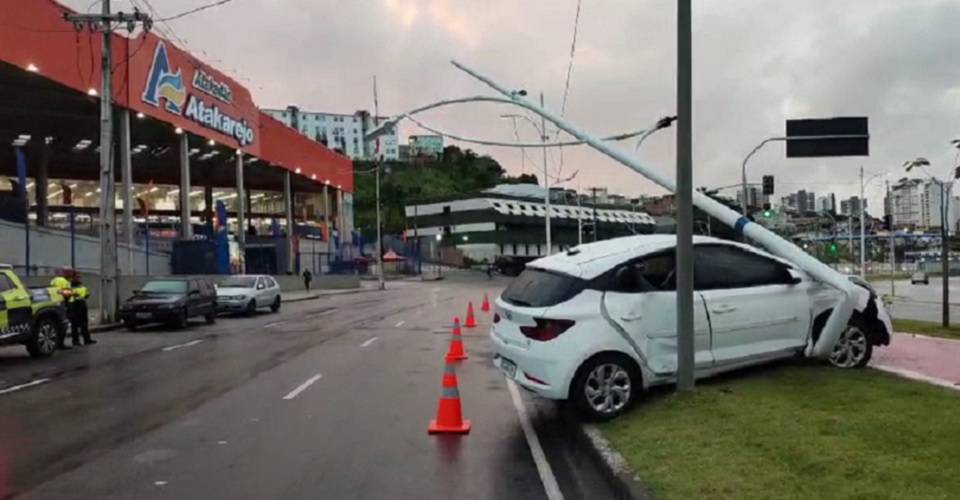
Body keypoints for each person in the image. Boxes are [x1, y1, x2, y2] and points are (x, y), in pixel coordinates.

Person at [50, 268, 74, 350]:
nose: (71, 274)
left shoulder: (53, 281)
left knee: (57, 323)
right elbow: (66, 293)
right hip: (63, 303)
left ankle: (56, 343)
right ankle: (60, 344)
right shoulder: (64, 281)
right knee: (64, 323)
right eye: (69, 272)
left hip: (54, 303)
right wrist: (71, 293)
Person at [69, 275, 95, 346]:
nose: (78, 279)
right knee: (78, 324)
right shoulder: (81, 288)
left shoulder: (71, 288)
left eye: (78, 277)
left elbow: (87, 295)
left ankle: (80, 340)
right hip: (78, 306)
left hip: (76, 306)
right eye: (77, 278)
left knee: (79, 324)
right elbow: (87, 295)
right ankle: (83, 340)